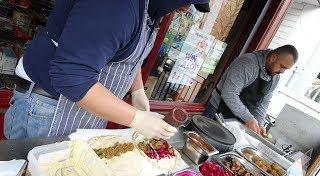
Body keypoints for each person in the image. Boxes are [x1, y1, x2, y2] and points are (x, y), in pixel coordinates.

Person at [4, 0, 210, 139]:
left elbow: (129, 57)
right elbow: (71, 75)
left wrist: (137, 91)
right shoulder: (116, 5)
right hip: (46, 110)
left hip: (83, 111)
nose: (185, 9)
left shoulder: (148, 13)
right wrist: (136, 119)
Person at [203, 45, 298, 136]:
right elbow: (229, 93)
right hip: (217, 113)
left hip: (238, 120)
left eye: (286, 69)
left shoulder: (275, 78)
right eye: (282, 66)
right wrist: (249, 118)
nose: (282, 72)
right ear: (273, 58)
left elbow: (264, 103)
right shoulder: (247, 63)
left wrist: (260, 124)